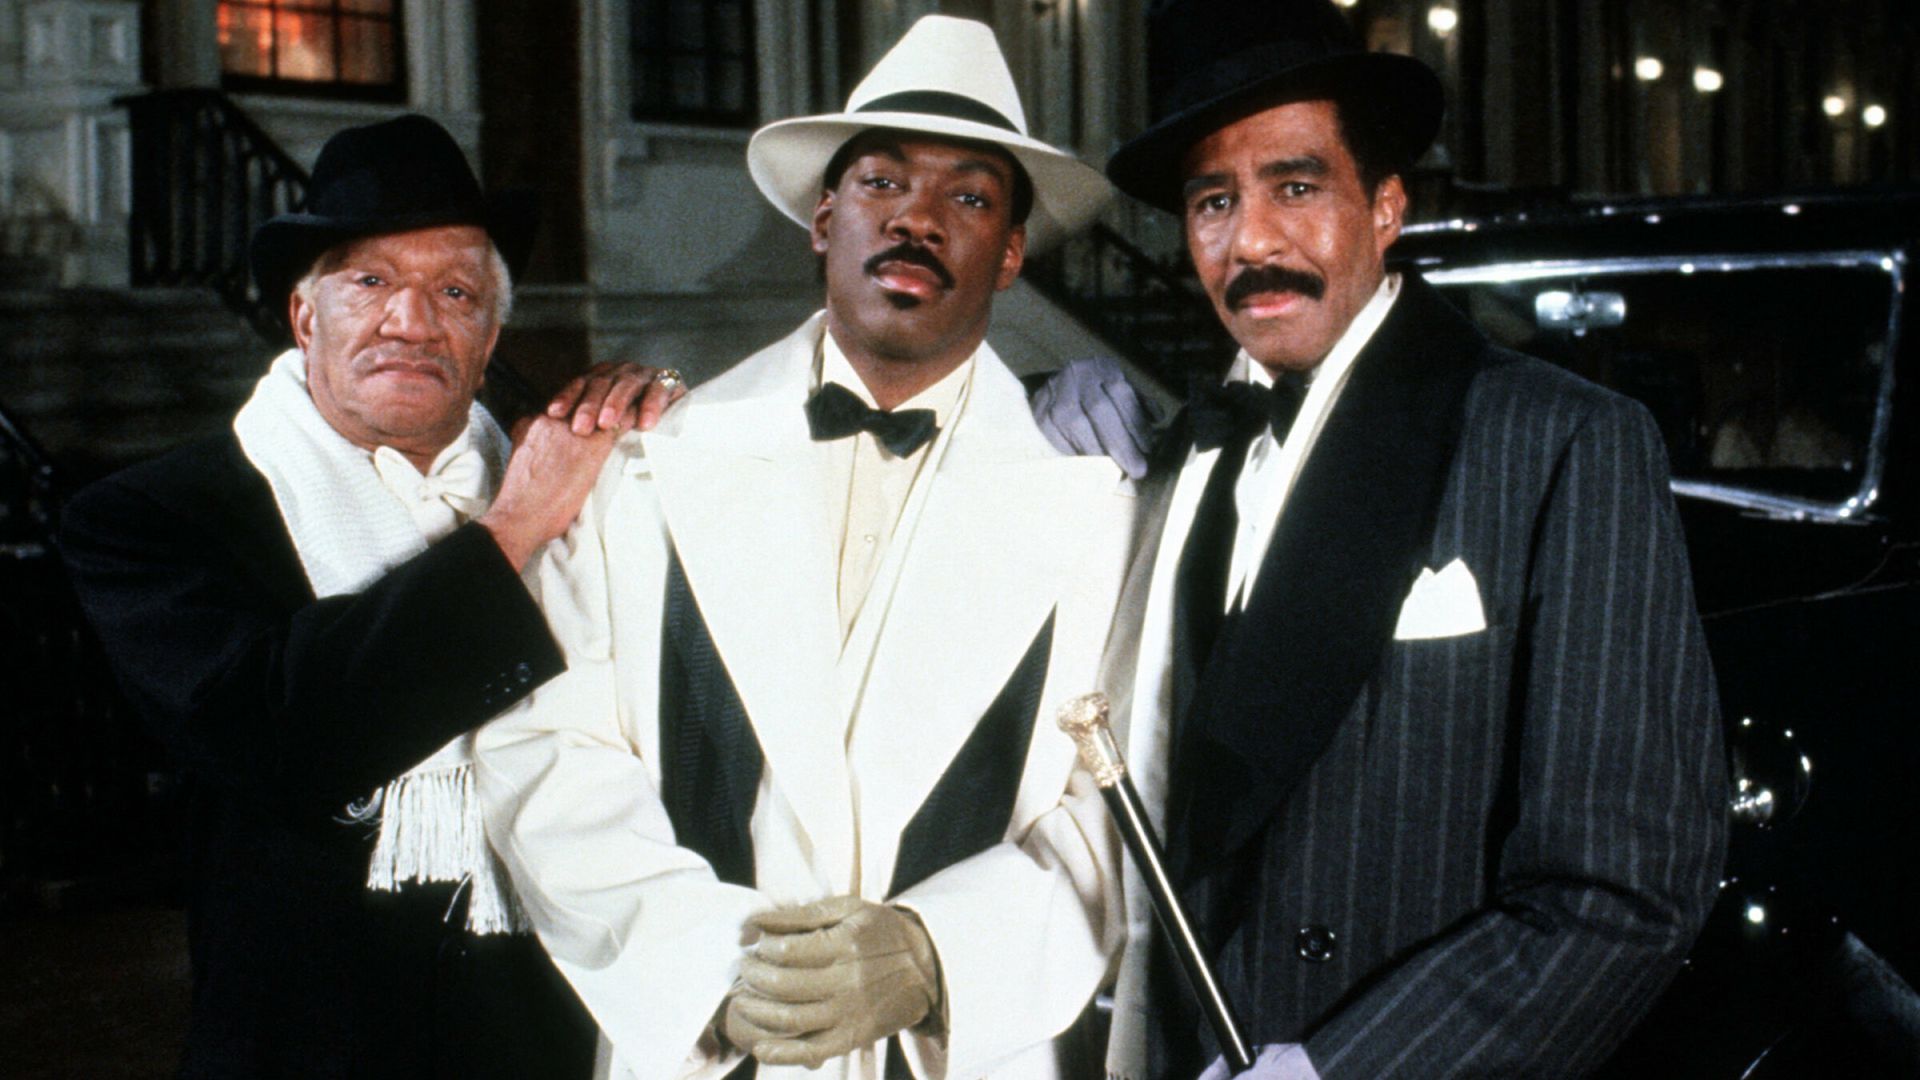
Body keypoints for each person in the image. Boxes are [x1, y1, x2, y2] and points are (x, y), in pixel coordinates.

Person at [474, 16, 1133, 1079]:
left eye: (969, 198)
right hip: (705, 1048)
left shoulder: (1102, 505)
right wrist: (705, 970)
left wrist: (939, 955)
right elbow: (549, 742)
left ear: (1012, 254)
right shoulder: (646, 462)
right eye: (881, 182)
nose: (916, 218)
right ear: (826, 219)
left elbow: (1121, 799)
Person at [1095, 2, 1728, 1077]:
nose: (1252, 242)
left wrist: (1338, 1071)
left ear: (1386, 206)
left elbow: (1624, 889)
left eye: (1296, 187)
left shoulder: (1565, 442)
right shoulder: (1173, 457)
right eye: (1215, 201)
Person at [58, 114, 681, 1078]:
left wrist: (646, 422)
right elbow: (281, 736)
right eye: (371, 283)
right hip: (305, 1045)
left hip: (553, 1033)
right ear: (305, 318)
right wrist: (512, 528)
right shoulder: (148, 517)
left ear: (490, 336)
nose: (412, 322)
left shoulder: (576, 474)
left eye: (455, 292)